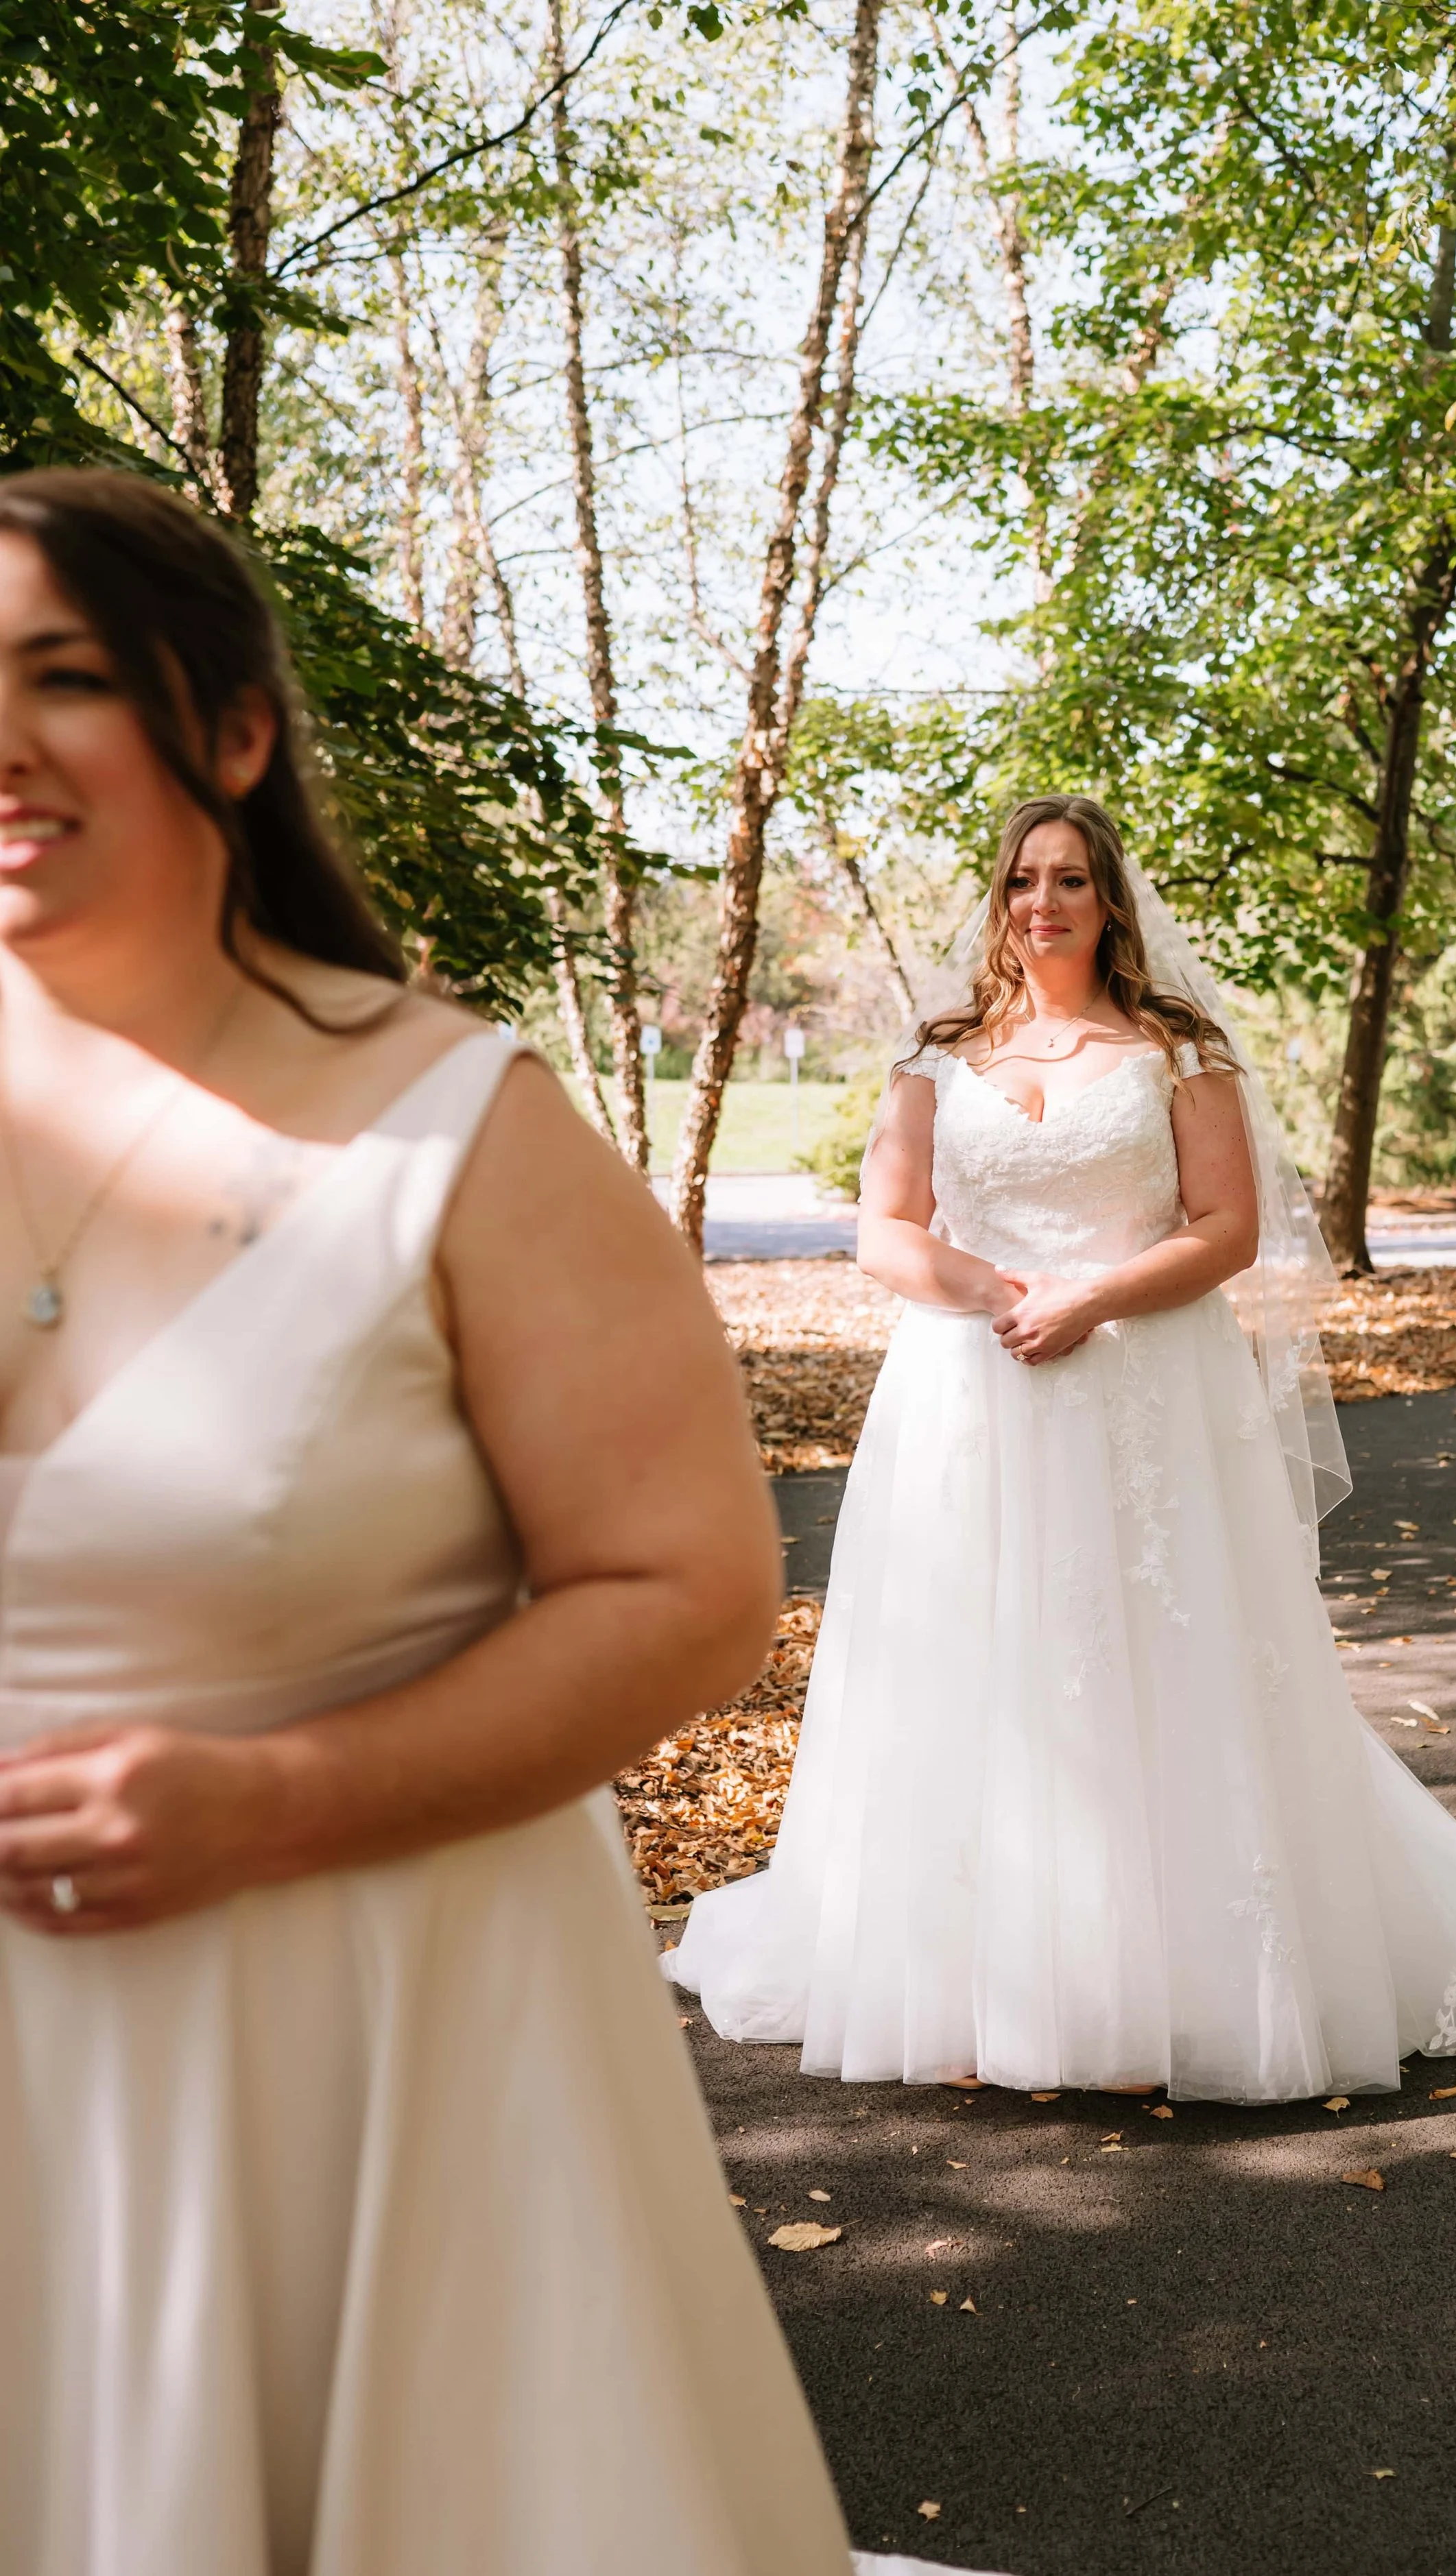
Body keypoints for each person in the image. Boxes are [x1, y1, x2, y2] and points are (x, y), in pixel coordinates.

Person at [0, 467, 879, 2576]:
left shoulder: (455, 1126)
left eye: (65, 678)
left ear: (229, 730)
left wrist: (272, 1802)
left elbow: (684, 1593)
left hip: (340, 2025)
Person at [669, 792, 1456, 2100]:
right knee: (971, 1664)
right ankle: (961, 1979)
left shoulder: (1176, 1051)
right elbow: (886, 1229)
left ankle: (1162, 1983)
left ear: (1110, 902)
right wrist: (999, 1293)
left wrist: (1090, 1297)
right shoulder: (938, 1057)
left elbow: (1226, 1230)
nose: (1041, 902)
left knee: (1147, 1660)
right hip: (967, 1390)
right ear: (999, 901)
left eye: (1069, 880)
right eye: (1021, 881)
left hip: (1143, 1390)